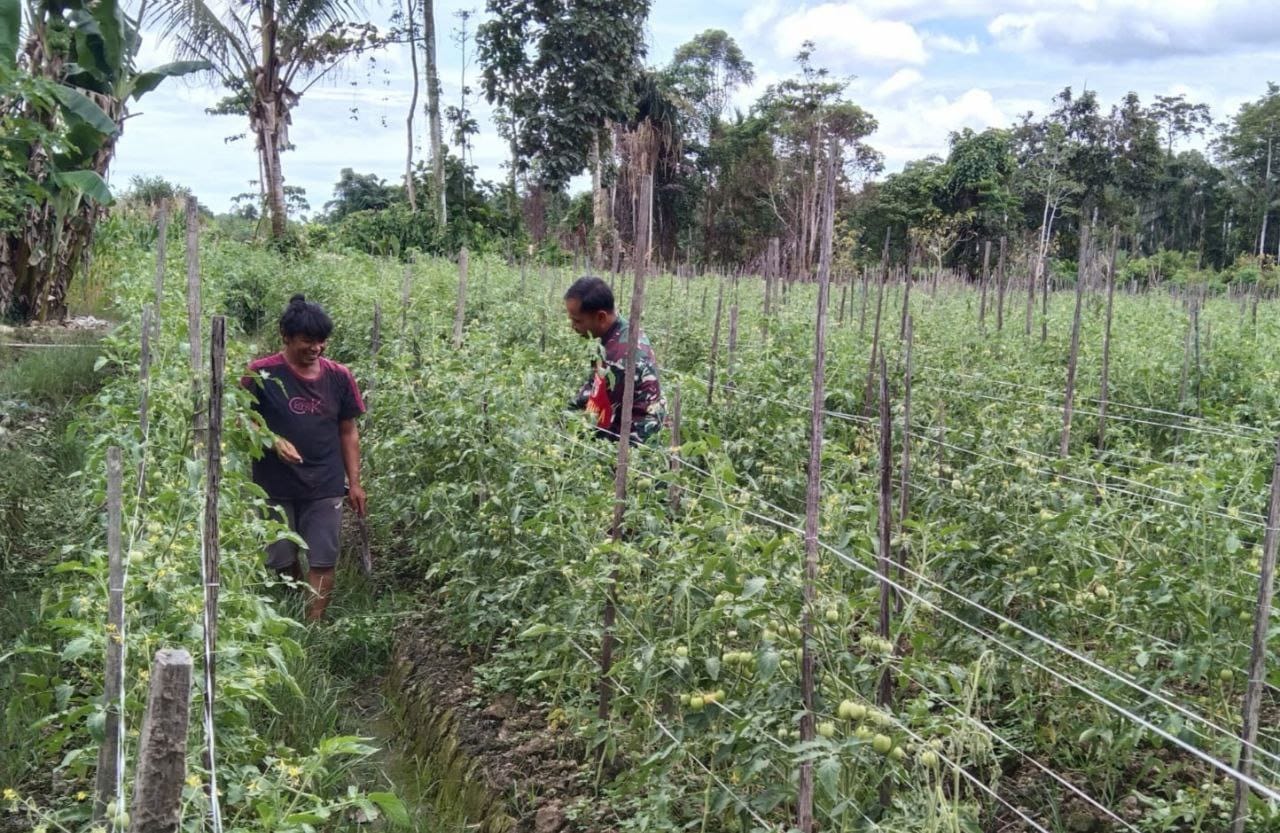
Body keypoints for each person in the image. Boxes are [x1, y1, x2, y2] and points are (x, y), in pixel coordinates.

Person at [241, 294, 367, 621]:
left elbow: (347, 430)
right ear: (286, 336)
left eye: (321, 341)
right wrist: (271, 438)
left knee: (324, 556)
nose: (316, 348)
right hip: (274, 483)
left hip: (324, 482)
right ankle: (296, 601)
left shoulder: (339, 376)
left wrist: (354, 483)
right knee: (281, 556)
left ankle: (313, 624)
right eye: (307, 341)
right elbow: (240, 417)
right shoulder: (260, 374)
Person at [564, 276, 666, 444]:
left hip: (635, 439)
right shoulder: (624, 329)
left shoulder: (618, 357)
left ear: (601, 317)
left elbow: (596, 413)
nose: (573, 326)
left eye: (577, 321)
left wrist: (564, 421)